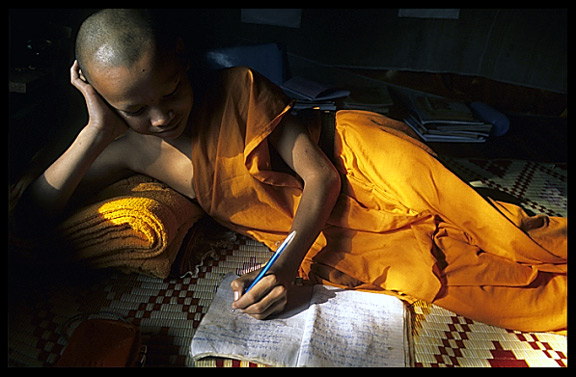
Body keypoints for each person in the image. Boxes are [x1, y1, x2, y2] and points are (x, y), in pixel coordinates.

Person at [11, 9, 566, 332]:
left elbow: (320, 174)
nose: (161, 117)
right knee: (465, 281)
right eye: (135, 109)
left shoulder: (238, 87)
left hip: (356, 152)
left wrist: (292, 265)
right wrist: (95, 130)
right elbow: (32, 215)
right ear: (104, 99)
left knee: (495, 228)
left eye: (172, 91)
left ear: (182, 58)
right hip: (326, 218)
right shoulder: (128, 146)